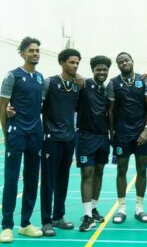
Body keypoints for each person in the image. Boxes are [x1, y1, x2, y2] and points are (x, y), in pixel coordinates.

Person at [0, 37, 44, 243]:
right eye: (31, 50)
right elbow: (2, 106)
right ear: (22, 53)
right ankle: (7, 226)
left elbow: (40, 104)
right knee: (11, 180)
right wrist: (7, 133)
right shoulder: (13, 76)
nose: (35, 53)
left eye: (37, 50)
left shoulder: (41, 78)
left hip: (36, 134)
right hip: (16, 133)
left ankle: (25, 224)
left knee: (32, 179)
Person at [107, 52, 147, 224]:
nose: (124, 63)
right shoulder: (113, 83)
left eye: (126, 60)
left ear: (132, 61)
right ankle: (122, 209)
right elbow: (111, 110)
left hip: (141, 133)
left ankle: (139, 208)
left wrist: (146, 129)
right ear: (117, 65)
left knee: (142, 170)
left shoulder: (144, 81)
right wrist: (112, 132)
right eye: (120, 62)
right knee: (121, 170)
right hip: (122, 134)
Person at [40, 48, 82, 236]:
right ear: (62, 62)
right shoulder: (49, 83)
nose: (75, 66)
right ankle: (46, 221)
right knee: (48, 181)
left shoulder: (77, 85)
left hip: (69, 139)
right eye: (72, 62)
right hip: (51, 140)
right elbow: (37, 106)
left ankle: (58, 216)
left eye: (77, 63)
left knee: (63, 180)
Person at [76, 56, 112, 231]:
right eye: (98, 69)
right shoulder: (84, 85)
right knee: (87, 174)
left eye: (105, 69)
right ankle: (87, 216)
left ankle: (94, 208)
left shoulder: (107, 91)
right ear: (93, 70)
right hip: (85, 136)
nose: (102, 72)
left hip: (103, 137)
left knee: (99, 172)